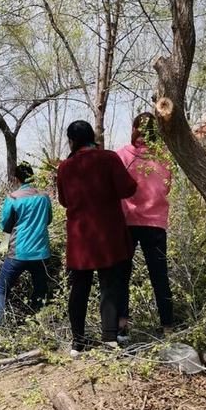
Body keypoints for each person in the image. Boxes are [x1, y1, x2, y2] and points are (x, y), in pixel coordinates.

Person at [56, 121, 137, 356]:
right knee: (109, 285)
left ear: (72, 140)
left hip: (80, 237)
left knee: (79, 288)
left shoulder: (65, 167)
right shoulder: (109, 158)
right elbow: (128, 189)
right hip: (108, 234)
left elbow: (63, 200)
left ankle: (77, 342)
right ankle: (109, 338)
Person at [116, 112, 174, 338]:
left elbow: (116, 185)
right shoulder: (164, 158)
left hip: (127, 221)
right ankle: (168, 326)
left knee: (122, 273)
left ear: (134, 129)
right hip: (155, 223)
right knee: (159, 276)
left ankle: (122, 324)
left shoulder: (121, 155)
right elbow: (166, 188)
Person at [0, 162, 53, 325]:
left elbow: (6, 224)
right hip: (41, 253)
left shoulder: (13, 198)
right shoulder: (44, 196)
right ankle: (40, 326)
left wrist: (3, 244)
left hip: (18, 253)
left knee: (1, 290)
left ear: (16, 179)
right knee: (40, 291)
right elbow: (48, 220)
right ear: (32, 176)